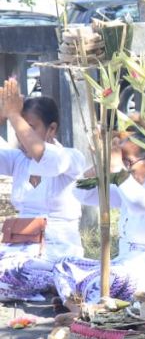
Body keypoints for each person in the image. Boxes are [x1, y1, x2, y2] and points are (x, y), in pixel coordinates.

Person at [60, 133, 145, 303]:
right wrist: (101, 165)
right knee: (63, 265)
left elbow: (139, 203)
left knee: (110, 279)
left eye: (128, 163)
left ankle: (85, 306)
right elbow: (80, 193)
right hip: (125, 269)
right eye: (121, 162)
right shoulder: (130, 185)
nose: (123, 169)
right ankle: (78, 308)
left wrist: (117, 168)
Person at [0, 81, 86, 260]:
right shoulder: (18, 159)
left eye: (29, 128)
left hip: (59, 251)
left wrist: (14, 115)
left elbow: (45, 157)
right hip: (17, 249)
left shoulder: (71, 157)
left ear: (51, 129)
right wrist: (2, 116)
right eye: (18, 128)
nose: (22, 135)